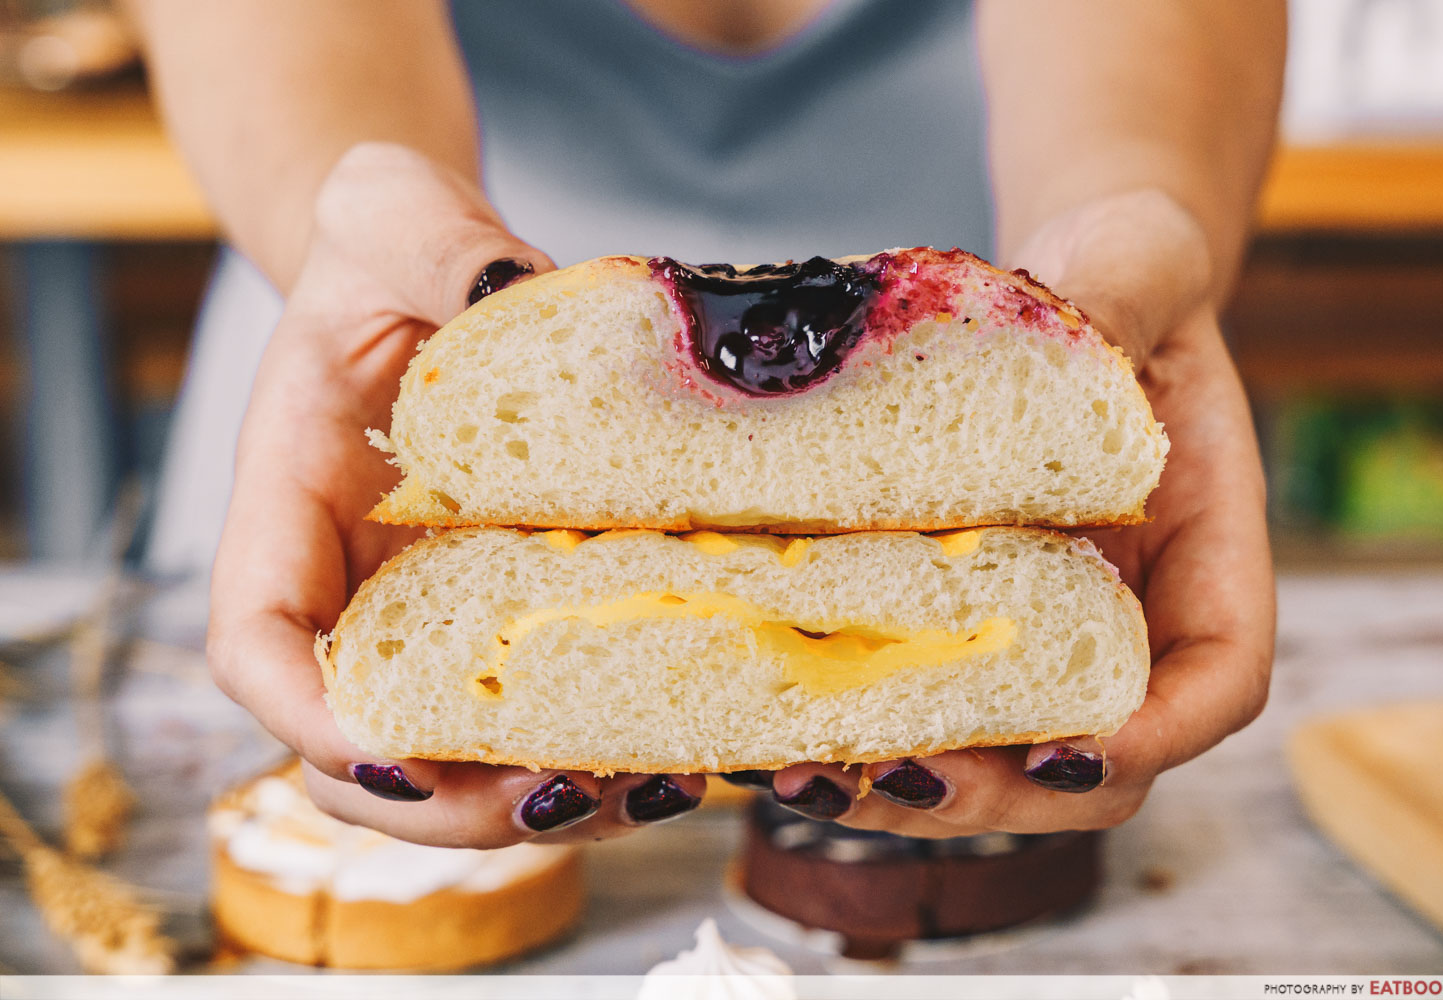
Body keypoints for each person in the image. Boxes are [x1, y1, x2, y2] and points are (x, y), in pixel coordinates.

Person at [126, 0, 1281, 847]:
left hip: (999, 330)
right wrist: (356, 209)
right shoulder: (393, 361)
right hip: (383, 353)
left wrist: (1122, 262)